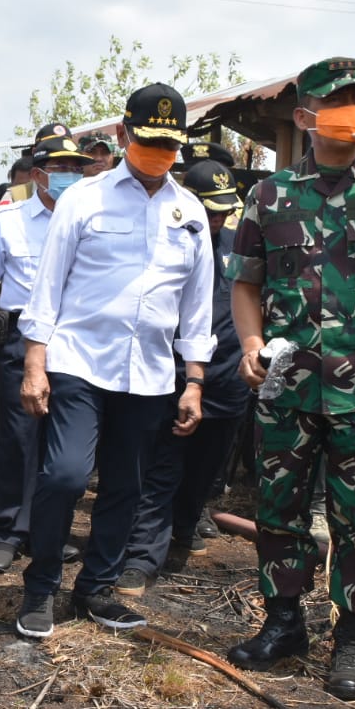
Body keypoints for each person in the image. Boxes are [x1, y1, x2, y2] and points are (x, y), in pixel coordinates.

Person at [225, 57, 355, 701]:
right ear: (306, 117)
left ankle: (352, 639)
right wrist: (252, 342)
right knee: (279, 510)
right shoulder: (269, 195)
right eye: (337, 102)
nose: (352, 113)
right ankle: (283, 622)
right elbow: (246, 282)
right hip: (287, 385)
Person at [14, 85, 214, 638]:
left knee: (127, 484)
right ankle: (41, 585)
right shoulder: (84, 198)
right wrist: (35, 363)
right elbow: (47, 287)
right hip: (79, 359)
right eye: (149, 141)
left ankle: (96, 587)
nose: (159, 154)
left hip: (149, 373)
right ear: (125, 135)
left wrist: (193, 381)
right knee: (65, 474)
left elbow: (196, 307)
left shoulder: (189, 210)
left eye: (170, 146)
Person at [115, 158, 250, 597]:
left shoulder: (239, 245)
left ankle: (187, 525)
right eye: (209, 210)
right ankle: (141, 556)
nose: (217, 219)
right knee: (161, 469)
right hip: (173, 373)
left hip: (228, 377)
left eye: (224, 211)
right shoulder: (164, 241)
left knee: (206, 469)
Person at [0, 124, 93, 574]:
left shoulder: (89, 222)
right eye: (59, 167)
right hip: (18, 343)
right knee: (17, 439)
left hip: (73, 345)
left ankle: (50, 533)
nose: (67, 174)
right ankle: (9, 530)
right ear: (38, 173)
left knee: (60, 445)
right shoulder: (8, 221)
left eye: (74, 167)